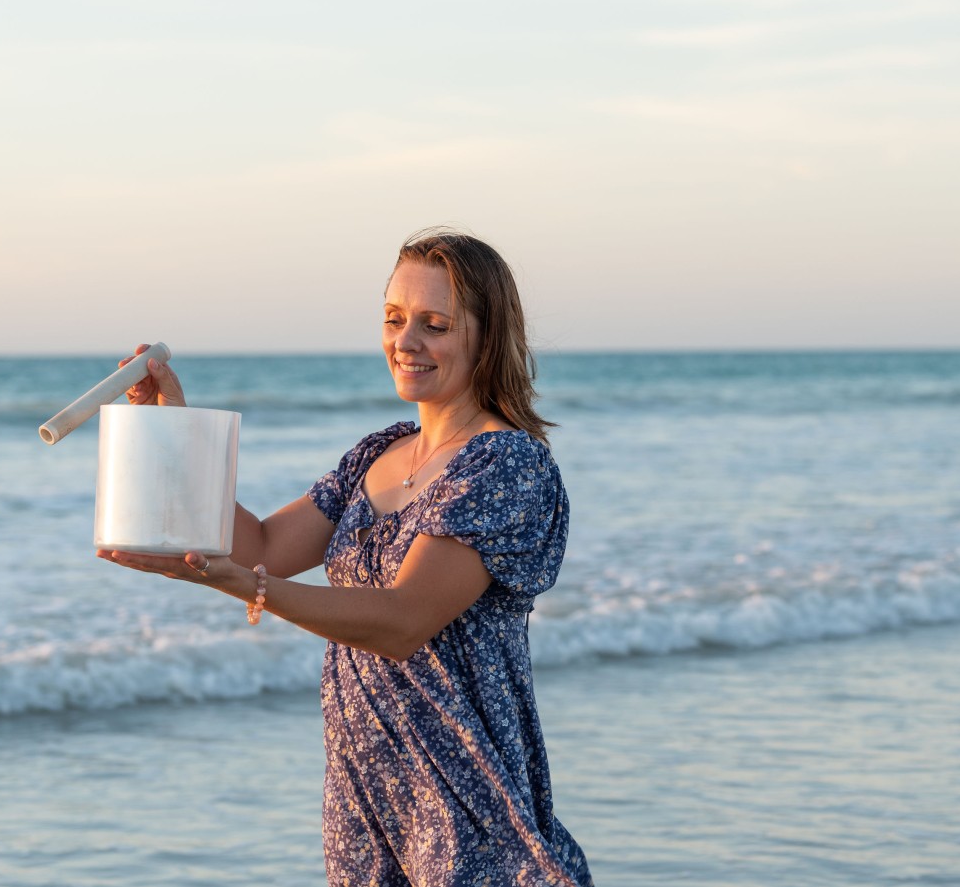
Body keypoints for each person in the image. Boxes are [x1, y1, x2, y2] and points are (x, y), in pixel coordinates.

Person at [98, 228, 595, 887]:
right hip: (367, 799)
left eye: (434, 323)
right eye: (393, 319)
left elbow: (402, 619)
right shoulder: (378, 452)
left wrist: (248, 587)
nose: (405, 341)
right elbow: (266, 545)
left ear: (487, 333)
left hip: (464, 798)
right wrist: (176, 425)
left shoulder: (507, 466)